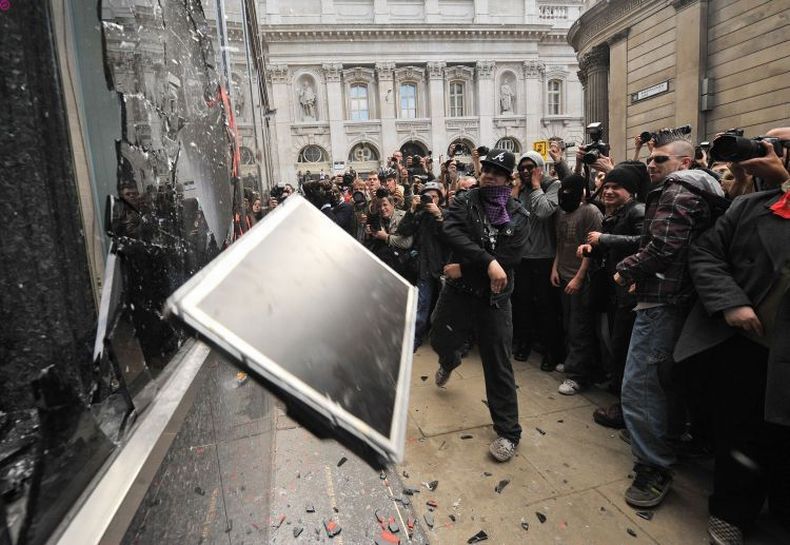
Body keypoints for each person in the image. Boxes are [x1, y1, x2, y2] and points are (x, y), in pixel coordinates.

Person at [674, 134, 790, 545]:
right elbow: (705, 253)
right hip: (749, 346)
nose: (772, 155)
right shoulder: (748, 207)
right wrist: (731, 302)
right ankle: (731, 513)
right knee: (740, 432)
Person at [614, 134, 724, 509]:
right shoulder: (700, 191)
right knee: (665, 382)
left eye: (661, 159)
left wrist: (626, 271)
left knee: (641, 387)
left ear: (685, 163)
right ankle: (665, 443)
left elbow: (662, 248)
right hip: (677, 298)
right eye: (650, 159)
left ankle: (653, 467)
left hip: (663, 302)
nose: (651, 164)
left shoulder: (677, 191)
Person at [430, 149, 529, 462]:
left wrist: (468, 265)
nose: (488, 175)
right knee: (440, 337)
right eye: (486, 169)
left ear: (508, 180)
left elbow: (511, 258)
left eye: (497, 172)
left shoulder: (519, 214)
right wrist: (486, 261)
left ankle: (508, 432)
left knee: (498, 363)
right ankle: (450, 359)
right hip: (459, 292)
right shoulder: (465, 200)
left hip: (494, 299)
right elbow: (450, 231)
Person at [577, 162, 646, 427]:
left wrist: (604, 240)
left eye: (615, 187)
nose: (607, 191)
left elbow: (644, 242)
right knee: (613, 345)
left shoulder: (638, 211)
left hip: (629, 292)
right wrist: (591, 249)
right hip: (614, 291)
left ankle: (625, 409)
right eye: (606, 186)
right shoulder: (617, 214)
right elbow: (610, 247)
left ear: (630, 191)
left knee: (623, 349)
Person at [511, 151, 564, 371]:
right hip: (522, 257)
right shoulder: (520, 189)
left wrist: (535, 185)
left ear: (540, 168)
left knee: (546, 306)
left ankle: (551, 351)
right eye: (522, 167)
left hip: (545, 256)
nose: (525, 171)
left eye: (530, 167)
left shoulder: (553, 185)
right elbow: (510, 219)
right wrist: (514, 193)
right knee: (522, 304)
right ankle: (524, 344)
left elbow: (543, 212)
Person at [551, 174, 603, 395]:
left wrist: (579, 277)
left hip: (581, 279)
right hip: (563, 275)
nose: (565, 192)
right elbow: (561, 243)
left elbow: (592, 249)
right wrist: (555, 268)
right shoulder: (562, 212)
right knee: (568, 325)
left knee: (579, 328)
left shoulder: (590, 212)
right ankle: (572, 361)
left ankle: (578, 376)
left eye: (570, 189)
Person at [394, 181, 449, 350]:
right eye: (427, 197)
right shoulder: (418, 214)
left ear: (440, 199)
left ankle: (447, 342)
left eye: (434, 197)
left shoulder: (447, 214)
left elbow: (451, 236)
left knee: (447, 308)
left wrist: (439, 216)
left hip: (443, 268)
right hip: (423, 267)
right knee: (421, 306)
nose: (430, 200)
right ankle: (415, 338)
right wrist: (411, 210)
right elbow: (403, 231)